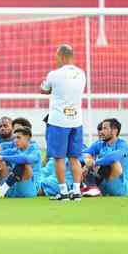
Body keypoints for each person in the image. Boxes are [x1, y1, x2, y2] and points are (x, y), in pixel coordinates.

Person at [40, 44, 86, 201]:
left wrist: (50, 89)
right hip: (76, 121)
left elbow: (44, 90)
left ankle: (63, 191)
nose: (56, 59)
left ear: (62, 56)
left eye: (57, 56)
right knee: (74, 157)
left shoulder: (54, 74)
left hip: (59, 121)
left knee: (59, 158)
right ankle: (76, 190)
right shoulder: (81, 74)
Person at [0, 127, 42, 199]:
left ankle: (2, 190)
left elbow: (25, 159)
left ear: (28, 138)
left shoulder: (35, 151)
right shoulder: (14, 150)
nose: (15, 141)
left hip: (29, 189)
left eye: (18, 137)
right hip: (12, 186)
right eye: (14, 138)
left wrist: (2, 157)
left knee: (23, 162)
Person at [82, 118, 128, 197]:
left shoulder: (123, 145)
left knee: (113, 161)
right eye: (101, 129)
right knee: (85, 161)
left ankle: (91, 188)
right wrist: (88, 159)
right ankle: (91, 188)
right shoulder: (100, 144)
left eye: (105, 128)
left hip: (122, 185)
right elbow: (84, 153)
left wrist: (95, 162)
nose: (101, 132)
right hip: (104, 182)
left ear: (114, 131)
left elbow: (113, 158)